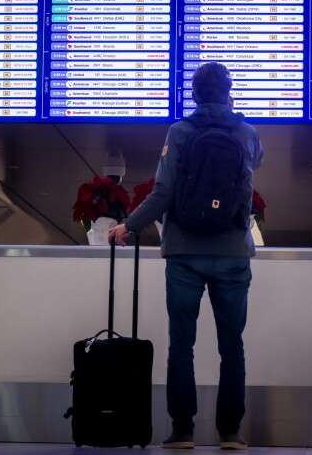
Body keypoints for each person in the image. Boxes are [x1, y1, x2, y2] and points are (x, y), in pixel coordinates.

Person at [109, 62, 263, 450]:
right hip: (232, 253)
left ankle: (183, 431)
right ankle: (230, 433)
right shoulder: (247, 133)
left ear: (193, 95)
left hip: (184, 253)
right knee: (233, 346)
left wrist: (127, 226)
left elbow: (163, 193)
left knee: (182, 344)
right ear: (230, 94)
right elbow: (254, 166)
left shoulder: (179, 133)